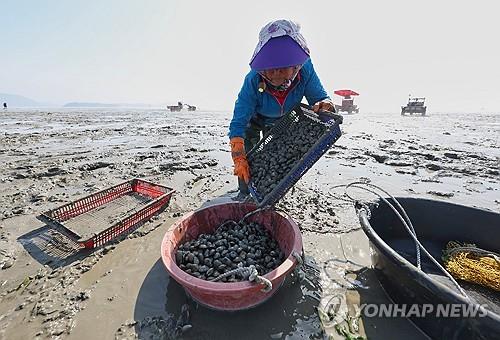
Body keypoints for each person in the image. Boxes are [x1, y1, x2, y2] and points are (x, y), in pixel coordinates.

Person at [228, 19, 335, 197]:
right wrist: (239, 157)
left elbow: (319, 97)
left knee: (276, 157)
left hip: (284, 119)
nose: (276, 72)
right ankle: (245, 192)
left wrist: (326, 104)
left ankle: (271, 192)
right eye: (271, 68)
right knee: (249, 153)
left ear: (296, 66)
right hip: (254, 119)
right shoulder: (253, 80)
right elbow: (238, 122)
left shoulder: (305, 70)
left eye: (283, 67)